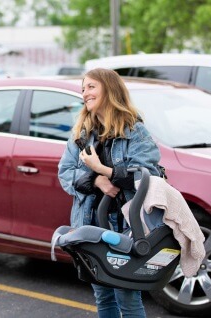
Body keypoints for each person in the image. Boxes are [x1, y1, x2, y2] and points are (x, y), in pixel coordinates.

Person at [58, 68, 162, 318]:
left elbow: (148, 174)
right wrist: (97, 180)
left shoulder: (134, 131)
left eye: (91, 86)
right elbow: (65, 174)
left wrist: (103, 169)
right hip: (89, 224)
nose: (85, 93)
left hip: (125, 227)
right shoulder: (82, 134)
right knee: (103, 297)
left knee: (127, 296)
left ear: (110, 88)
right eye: (83, 88)